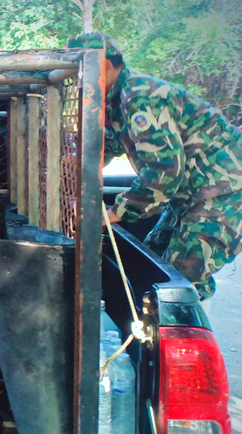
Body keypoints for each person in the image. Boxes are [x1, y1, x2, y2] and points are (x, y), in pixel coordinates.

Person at [68, 32, 242, 306]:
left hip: (223, 194)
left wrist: (115, 213)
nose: (77, 82)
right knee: (152, 263)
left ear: (107, 66)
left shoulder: (139, 95)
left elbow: (164, 169)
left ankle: (185, 333)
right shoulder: (115, 99)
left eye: (80, 71)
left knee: (180, 285)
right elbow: (104, 147)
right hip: (192, 194)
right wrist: (69, 165)